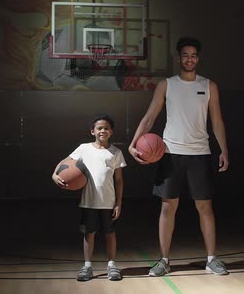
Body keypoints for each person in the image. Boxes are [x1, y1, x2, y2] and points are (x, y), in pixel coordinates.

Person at [128, 37, 230, 276]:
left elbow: (217, 120)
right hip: (171, 153)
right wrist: (133, 144)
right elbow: (150, 116)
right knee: (167, 207)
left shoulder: (209, 86)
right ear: (178, 57)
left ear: (198, 58)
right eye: (185, 55)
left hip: (200, 153)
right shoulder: (166, 85)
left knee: (205, 207)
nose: (189, 59)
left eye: (194, 55)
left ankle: (212, 259)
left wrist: (224, 149)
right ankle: (164, 260)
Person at [52, 113, 127, 281]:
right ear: (92, 131)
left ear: (111, 132)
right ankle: (87, 266)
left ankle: (112, 265)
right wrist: (54, 175)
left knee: (110, 233)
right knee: (89, 234)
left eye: (106, 128)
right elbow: (65, 161)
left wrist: (118, 203)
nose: (103, 131)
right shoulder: (83, 148)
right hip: (89, 202)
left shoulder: (116, 152)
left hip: (108, 202)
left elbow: (119, 180)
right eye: (99, 128)